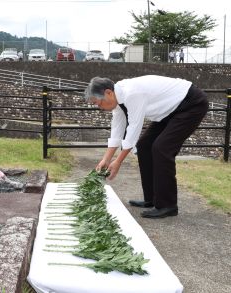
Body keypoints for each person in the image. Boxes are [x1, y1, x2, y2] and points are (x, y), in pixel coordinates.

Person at [83, 75, 208, 218]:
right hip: (169, 111)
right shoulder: (118, 99)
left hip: (190, 104)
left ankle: (168, 205)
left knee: (161, 148)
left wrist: (117, 162)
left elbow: (133, 129)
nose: (99, 107)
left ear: (108, 93)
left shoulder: (132, 93)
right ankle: (152, 199)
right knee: (144, 146)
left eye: (98, 103)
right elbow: (117, 129)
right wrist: (106, 159)